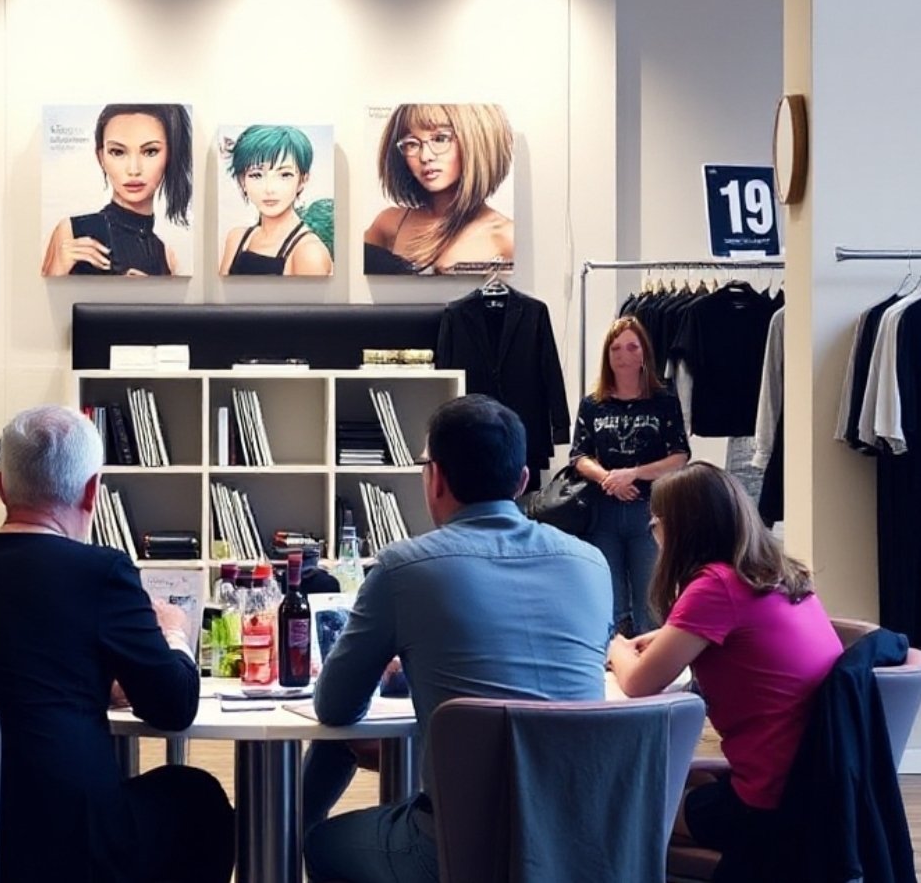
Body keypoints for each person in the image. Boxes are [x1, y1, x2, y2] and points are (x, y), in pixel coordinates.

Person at [0, 405, 233, 883]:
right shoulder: (101, 572)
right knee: (196, 797)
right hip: (70, 845)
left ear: (0, 487)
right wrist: (175, 631)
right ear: (92, 491)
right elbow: (175, 706)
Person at [303, 395, 612, 883]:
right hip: (582, 847)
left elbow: (335, 707)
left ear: (436, 477)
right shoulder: (592, 563)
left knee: (322, 842)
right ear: (523, 480)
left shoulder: (404, 567)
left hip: (460, 851)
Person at [609, 462, 842, 874]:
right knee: (689, 778)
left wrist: (616, 645)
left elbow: (637, 683)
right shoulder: (781, 577)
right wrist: (668, 637)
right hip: (813, 783)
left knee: (620, 804)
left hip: (770, 805)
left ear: (677, 530)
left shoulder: (714, 587)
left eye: (655, 526)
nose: (655, 537)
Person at [571, 315, 690, 633]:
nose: (623, 355)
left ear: (644, 354)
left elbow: (679, 456)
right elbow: (579, 456)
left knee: (651, 598)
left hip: (649, 511)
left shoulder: (664, 401)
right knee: (607, 600)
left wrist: (633, 473)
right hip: (602, 511)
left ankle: (654, 670)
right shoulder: (593, 405)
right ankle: (612, 669)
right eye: (615, 348)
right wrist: (609, 478)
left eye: (631, 347)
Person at [41, 103, 192, 276]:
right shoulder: (73, 232)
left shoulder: (166, 255)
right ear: (101, 158)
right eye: (118, 152)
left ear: (169, 157)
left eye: (150, 151)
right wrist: (58, 268)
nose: (134, 170)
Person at [363, 103, 514, 275]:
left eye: (440, 139)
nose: (425, 156)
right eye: (412, 143)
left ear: (477, 141)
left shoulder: (506, 236)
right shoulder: (389, 223)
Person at [219, 124, 333, 276]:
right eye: (256, 175)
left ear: (303, 180)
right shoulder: (236, 238)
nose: (269, 189)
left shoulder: (309, 253)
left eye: (284, 175)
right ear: (242, 181)